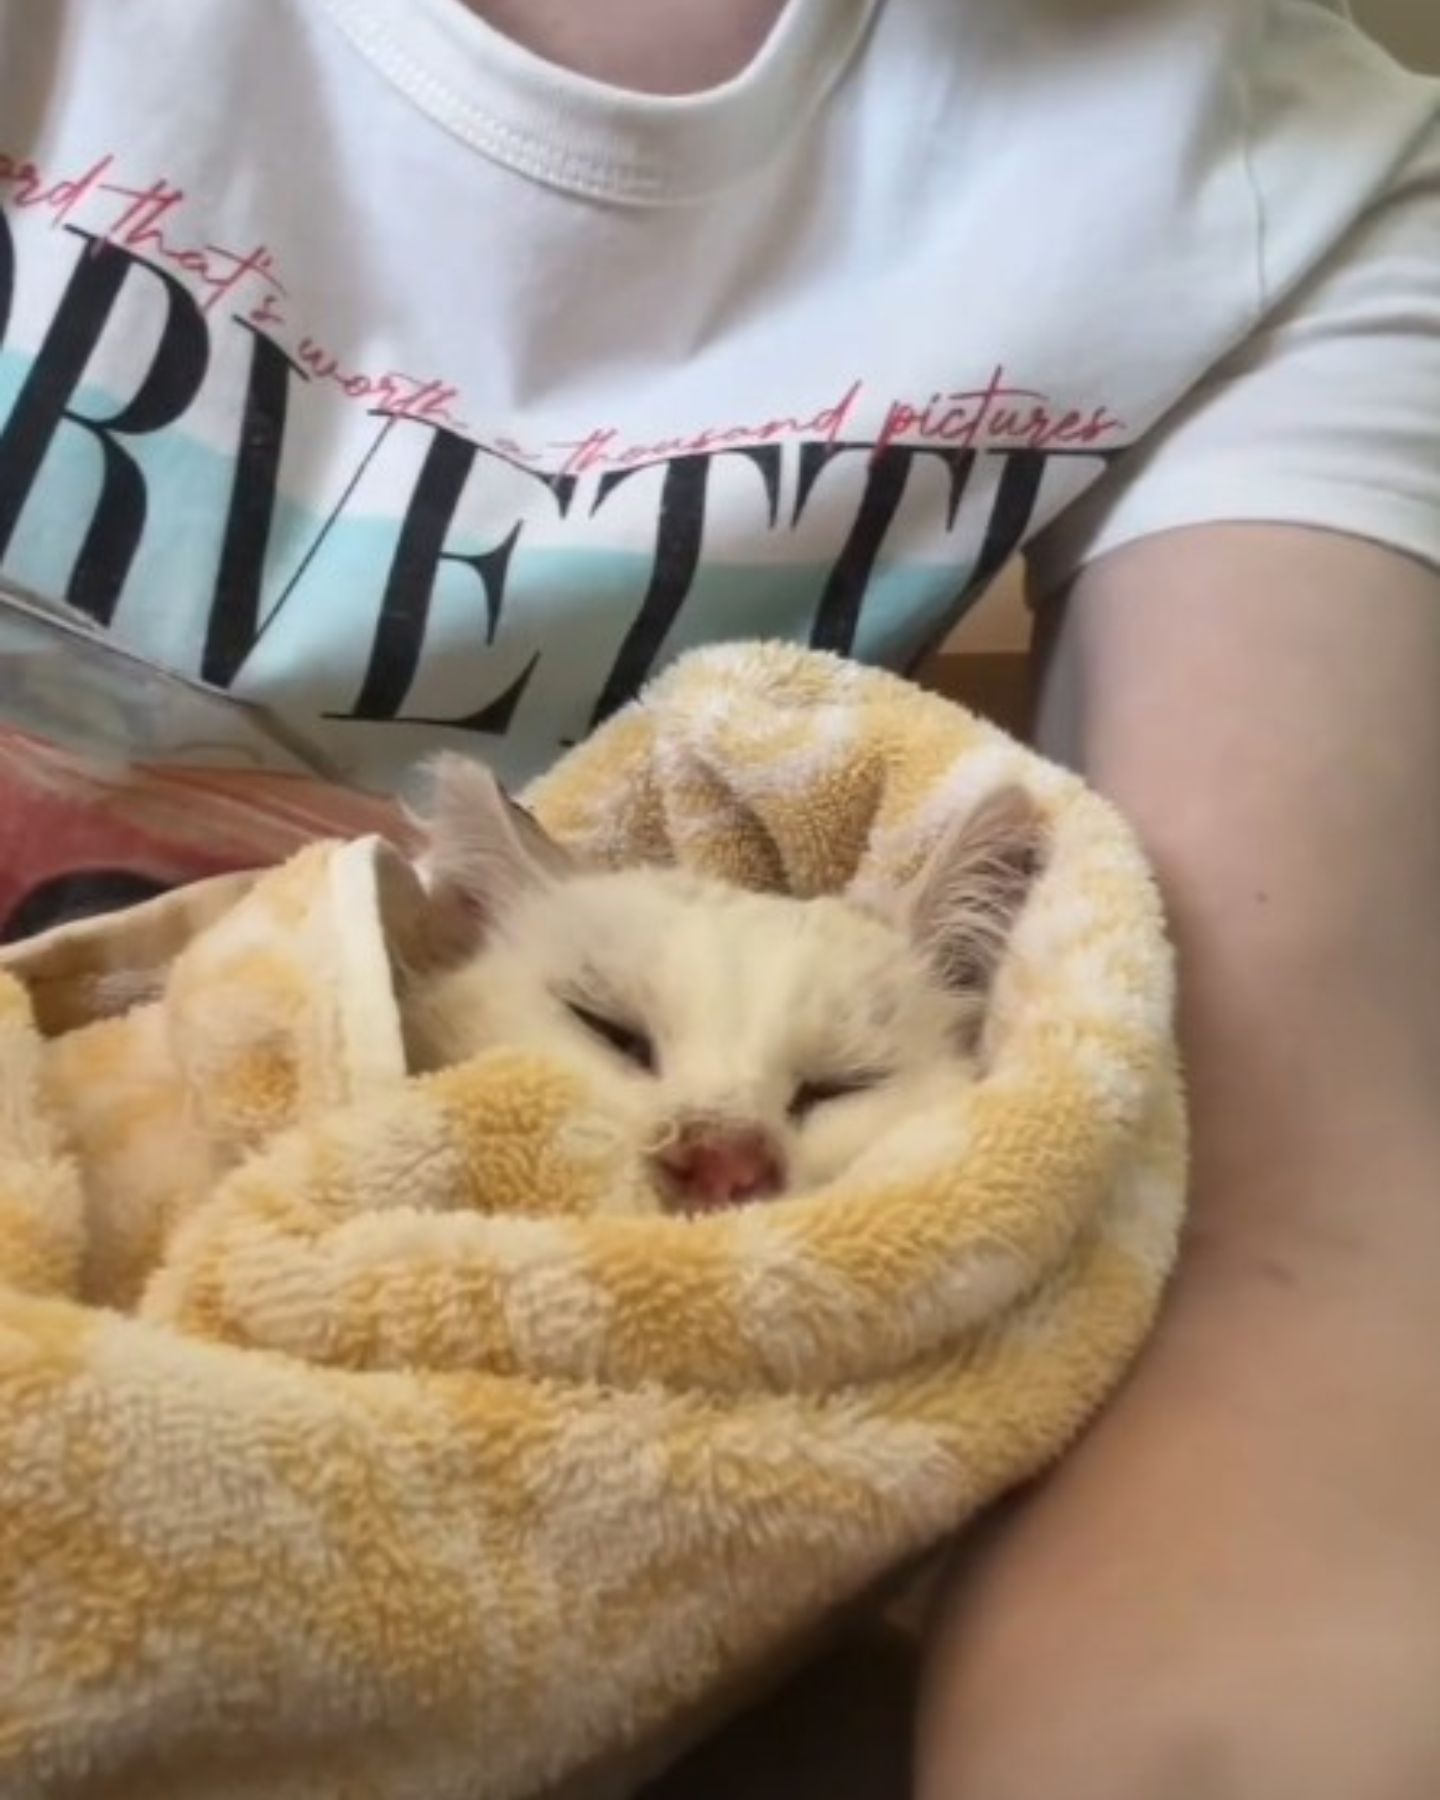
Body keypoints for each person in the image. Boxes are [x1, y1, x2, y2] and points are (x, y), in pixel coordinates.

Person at [1, 1, 1438, 1792]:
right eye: (615, 1036)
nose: (723, 1153)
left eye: (818, 1098)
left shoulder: (1295, 192)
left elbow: (1282, 1259)